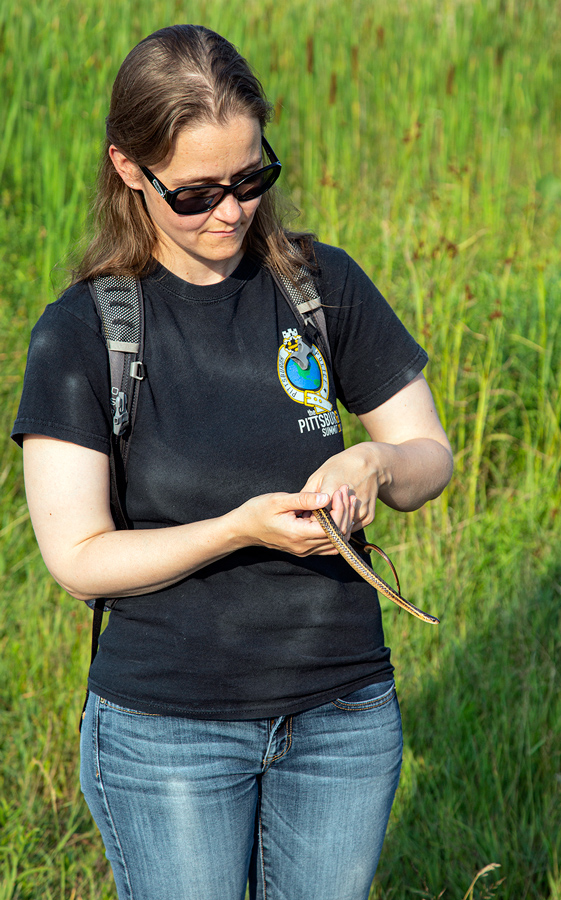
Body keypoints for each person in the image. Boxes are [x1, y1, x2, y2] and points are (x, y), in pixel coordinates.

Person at [12, 24, 453, 900]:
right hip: (166, 735)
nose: (230, 210)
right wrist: (234, 530)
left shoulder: (322, 287)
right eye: (197, 192)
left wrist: (372, 466)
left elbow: (427, 454)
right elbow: (78, 558)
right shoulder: (83, 333)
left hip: (343, 716)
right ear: (129, 170)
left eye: (252, 179)